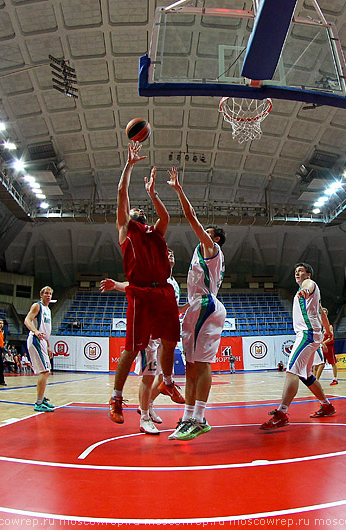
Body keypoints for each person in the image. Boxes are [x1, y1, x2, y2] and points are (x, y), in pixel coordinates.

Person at [108, 141, 181, 425]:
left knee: (170, 339)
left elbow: (166, 216)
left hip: (162, 291)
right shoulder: (126, 230)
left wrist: (153, 193)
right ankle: (116, 397)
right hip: (140, 293)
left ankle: (168, 382)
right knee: (132, 349)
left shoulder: (155, 232)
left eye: (142, 207)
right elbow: (121, 192)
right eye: (135, 207)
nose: (137, 208)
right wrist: (129, 165)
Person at [166, 167, 226, 441]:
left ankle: (200, 418)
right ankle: (189, 416)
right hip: (195, 306)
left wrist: (178, 189)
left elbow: (190, 217)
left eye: (207, 232)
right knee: (190, 365)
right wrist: (179, 309)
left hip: (206, 306)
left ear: (215, 239)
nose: (202, 233)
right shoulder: (199, 253)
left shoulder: (211, 249)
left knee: (200, 364)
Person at [99, 248, 185, 435]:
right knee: (149, 376)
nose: (170, 253)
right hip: (151, 334)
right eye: (166, 252)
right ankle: (144, 417)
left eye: (172, 252)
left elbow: (174, 308)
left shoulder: (173, 283)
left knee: (163, 376)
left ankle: (148, 405)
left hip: (165, 332)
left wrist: (188, 306)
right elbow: (132, 284)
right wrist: (115, 285)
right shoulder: (153, 275)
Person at [260, 263, 336, 430]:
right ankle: (327, 405)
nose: (297, 272)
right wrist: (328, 330)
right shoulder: (309, 294)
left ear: (308, 274)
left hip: (307, 334)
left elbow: (309, 286)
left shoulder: (309, 285)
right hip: (312, 334)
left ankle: (282, 413)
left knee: (292, 371)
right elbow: (321, 312)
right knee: (306, 375)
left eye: (300, 270)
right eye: (295, 271)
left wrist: (305, 290)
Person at [25, 286, 55, 412]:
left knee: (46, 371)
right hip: (36, 339)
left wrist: (48, 346)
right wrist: (36, 331)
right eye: (46, 293)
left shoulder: (48, 309)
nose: (48, 295)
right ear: (41, 295)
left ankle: (41, 399)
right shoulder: (37, 306)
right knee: (45, 371)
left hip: (43, 341)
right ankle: (38, 402)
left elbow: (46, 330)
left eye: (50, 294)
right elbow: (27, 320)